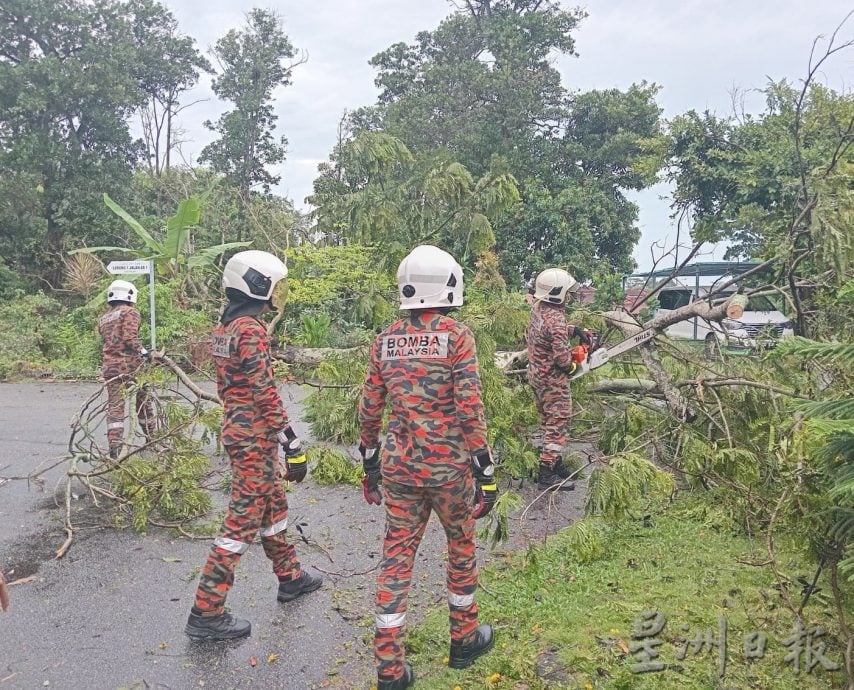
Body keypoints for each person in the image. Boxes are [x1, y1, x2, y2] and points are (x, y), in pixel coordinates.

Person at [358, 245, 497, 690]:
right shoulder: (457, 336)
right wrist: (485, 471)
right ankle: (464, 638)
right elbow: (469, 406)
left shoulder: (385, 340)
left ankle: (389, 669)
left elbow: (368, 410)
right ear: (449, 285)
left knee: (395, 560)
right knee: (460, 547)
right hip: (450, 472)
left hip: (400, 472)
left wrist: (370, 464)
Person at [185, 250, 322, 641]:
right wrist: (290, 439)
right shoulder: (251, 330)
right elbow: (263, 388)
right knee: (240, 522)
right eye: (273, 285)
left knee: (273, 505)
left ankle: (290, 577)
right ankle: (206, 611)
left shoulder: (226, 327)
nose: (278, 293)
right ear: (257, 284)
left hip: (240, 430)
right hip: (253, 436)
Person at [525, 268, 591, 491]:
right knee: (558, 422)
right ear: (558, 293)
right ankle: (546, 472)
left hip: (536, 374)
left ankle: (555, 461)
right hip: (552, 381)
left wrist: (574, 330)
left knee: (547, 420)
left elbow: (549, 332)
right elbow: (563, 359)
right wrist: (573, 366)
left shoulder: (538, 308)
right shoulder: (556, 321)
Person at [98, 279, 154, 459]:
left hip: (110, 368)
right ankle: (152, 438)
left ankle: (115, 445)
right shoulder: (130, 312)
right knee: (144, 403)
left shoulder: (104, 318)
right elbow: (130, 339)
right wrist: (146, 353)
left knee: (115, 407)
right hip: (131, 367)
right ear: (130, 295)